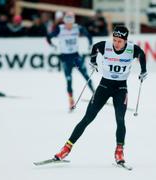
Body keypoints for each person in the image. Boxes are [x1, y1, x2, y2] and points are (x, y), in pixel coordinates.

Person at [53, 25, 147, 164]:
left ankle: (119, 151)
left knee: (120, 119)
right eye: (114, 40)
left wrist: (143, 70)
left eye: (120, 41)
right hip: (104, 86)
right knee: (87, 118)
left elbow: (141, 54)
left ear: (126, 40)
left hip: (121, 88)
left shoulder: (132, 49)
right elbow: (95, 47)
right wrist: (93, 61)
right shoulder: (105, 46)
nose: (116, 43)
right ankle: (66, 148)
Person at [47, 11, 95, 111]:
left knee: (86, 75)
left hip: (75, 57)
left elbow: (88, 35)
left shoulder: (77, 27)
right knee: (69, 80)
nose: (69, 25)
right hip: (65, 58)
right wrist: (53, 46)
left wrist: (90, 44)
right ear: (64, 21)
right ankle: (71, 100)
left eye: (71, 22)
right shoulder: (60, 29)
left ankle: (95, 94)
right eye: (67, 22)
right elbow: (48, 37)